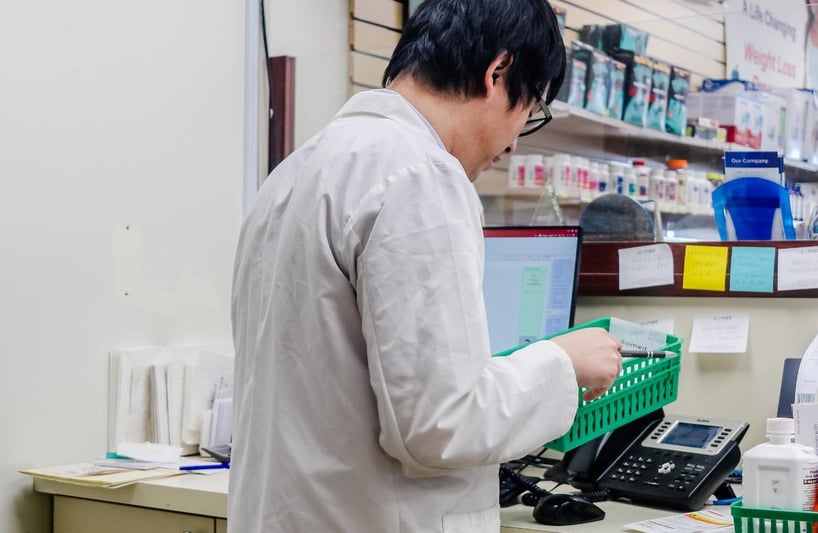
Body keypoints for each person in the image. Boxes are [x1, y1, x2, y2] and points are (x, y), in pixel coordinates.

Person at [228, 1, 623, 531]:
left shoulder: (298, 169)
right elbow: (442, 424)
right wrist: (561, 362)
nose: (510, 144)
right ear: (498, 73)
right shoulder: (420, 177)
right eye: (526, 113)